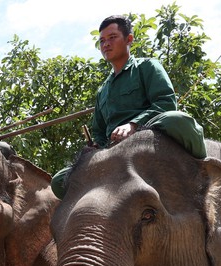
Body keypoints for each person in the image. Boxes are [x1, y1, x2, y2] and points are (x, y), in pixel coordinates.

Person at [50, 15, 205, 198]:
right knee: (60, 181)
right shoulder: (103, 91)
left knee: (178, 120)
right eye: (101, 41)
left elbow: (166, 102)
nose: (105, 44)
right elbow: (99, 130)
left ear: (129, 39)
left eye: (112, 37)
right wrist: (95, 146)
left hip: (150, 135)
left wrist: (133, 125)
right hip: (114, 152)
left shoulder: (147, 67)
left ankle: (203, 168)